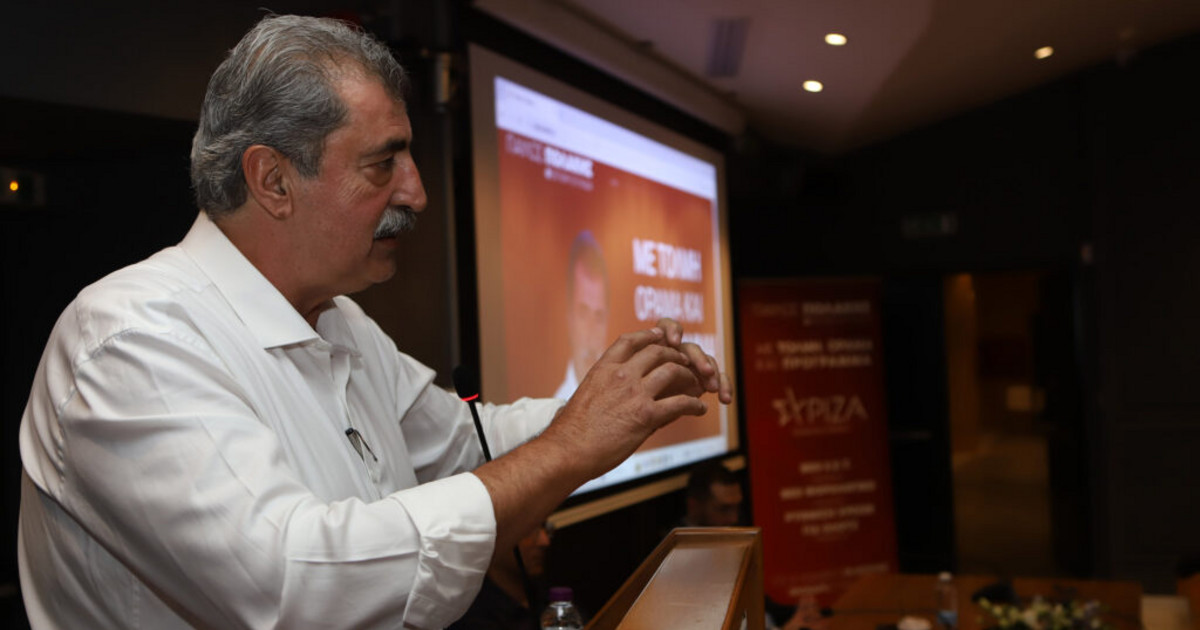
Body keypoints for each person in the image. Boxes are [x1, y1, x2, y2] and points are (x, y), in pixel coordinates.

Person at [16, 15, 731, 630]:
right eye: (383, 164)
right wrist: (574, 443)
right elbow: (292, 584)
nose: (416, 193)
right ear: (273, 180)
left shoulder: (341, 323)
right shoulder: (134, 337)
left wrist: (624, 396)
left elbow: (468, 447)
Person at [447, 522, 554, 630]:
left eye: (545, 529)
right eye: (529, 531)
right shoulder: (471, 617)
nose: (544, 541)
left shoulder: (545, 597)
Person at [555, 230, 610, 400]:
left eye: (599, 317)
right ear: (569, 318)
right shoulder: (555, 411)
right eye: (583, 314)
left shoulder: (625, 404)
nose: (591, 334)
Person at [682, 460, 744, 528]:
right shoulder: (674, 534)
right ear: (694, 506)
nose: (734, 519)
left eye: (737, 508)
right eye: (724, 509)